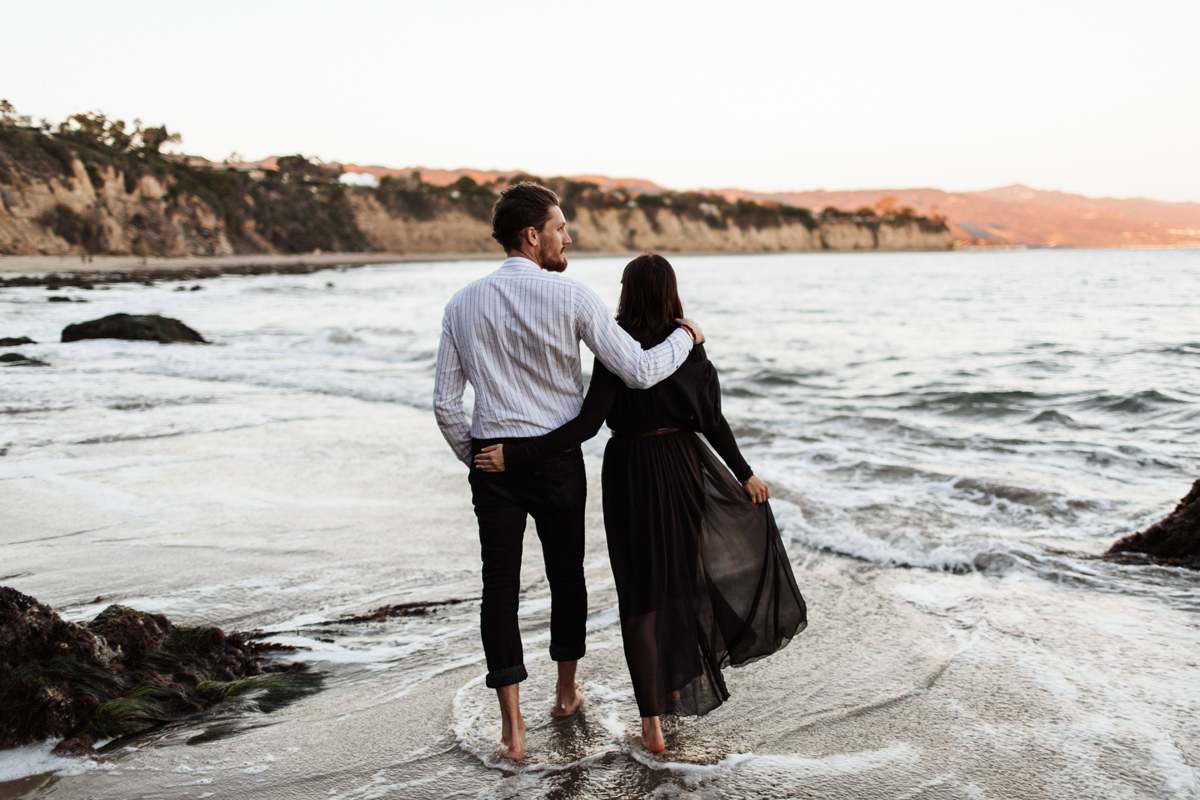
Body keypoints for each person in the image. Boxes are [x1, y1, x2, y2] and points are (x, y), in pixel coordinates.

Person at [474, 253, 807, 753]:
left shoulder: (615, 344)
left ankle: (652, 726)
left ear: (628, 291)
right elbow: (712, 420)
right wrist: (745, 474)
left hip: (629, 471)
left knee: (640, 599)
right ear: (671, 290)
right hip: (681, 466)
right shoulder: (688, 345)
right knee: (677, 582)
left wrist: (519, 454)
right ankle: (673, 690)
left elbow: (586, 426)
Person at [433, 184, 707, 760]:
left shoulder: (461, 302)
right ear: (532, 235)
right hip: (556, 460)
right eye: (560, 227)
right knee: (567, 577)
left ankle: (513, 732)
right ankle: (564, 694)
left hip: (493, 457)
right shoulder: (572, 296)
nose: (568, 236)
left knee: (499, 588)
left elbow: (445, 403)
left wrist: (478, 458)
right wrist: (685, 335)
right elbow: (636, 370)